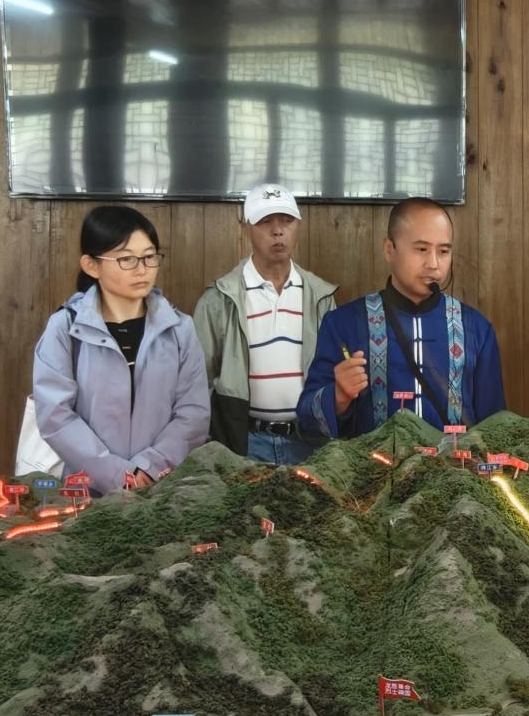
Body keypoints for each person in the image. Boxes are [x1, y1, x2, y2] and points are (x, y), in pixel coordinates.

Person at [31, 205, 209, 492]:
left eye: (149, 257)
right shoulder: (65, 327)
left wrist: (149, 468)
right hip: (87, 493)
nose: (142, 270)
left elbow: (193, 413)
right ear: (92, 266)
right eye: (126, 259)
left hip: (162, 488)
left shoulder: (179, 329)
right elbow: (56, 416)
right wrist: (118, 476)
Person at [298, 199, 505, 439]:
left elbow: (495, 427)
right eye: (421, 249)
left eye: (443, 251)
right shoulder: (343, 324)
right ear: (389, 250)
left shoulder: (476, 329)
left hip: (453, 464)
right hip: (372, 464)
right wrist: (338, 397)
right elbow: (306, 421)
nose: (434, 264)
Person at [193, 184, 338, 465]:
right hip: (244, 444)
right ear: (247, 226)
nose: (278, 231)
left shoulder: (320, 297)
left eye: (287, 220)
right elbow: (199, 382)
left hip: (310, 442)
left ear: (298, 226)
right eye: (265, 221)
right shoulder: (220, 299)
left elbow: (333, 375)